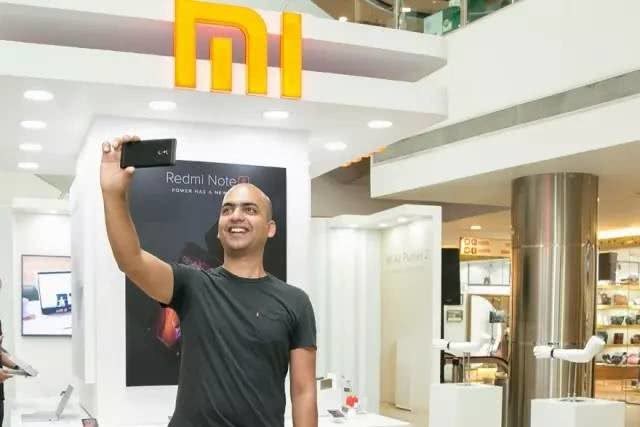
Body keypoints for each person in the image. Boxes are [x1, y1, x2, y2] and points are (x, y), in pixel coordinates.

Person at [100, 135, 318, 427]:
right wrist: (113, 194)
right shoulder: (193, 285)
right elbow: (131, 260)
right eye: (227, 209)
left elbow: (304, 393)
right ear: (218, 229)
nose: (236, 216)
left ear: (270, 228)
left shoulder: (295, 302)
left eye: (249, 209)